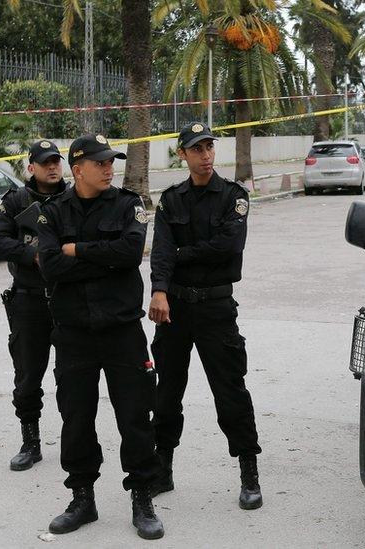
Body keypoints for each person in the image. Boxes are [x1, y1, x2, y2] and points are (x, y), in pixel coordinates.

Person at [36, 134, 165, 540]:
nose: (110, 168)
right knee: (76, 418)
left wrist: (76, 250)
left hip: (122, 332)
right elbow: (50, 266)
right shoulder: (52, 212)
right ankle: (82, 498)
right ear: (78, 169)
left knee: (135, 416)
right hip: (73, 334)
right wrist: (98, 256)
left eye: (112, 161)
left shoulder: (129, 205)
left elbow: (130, 253)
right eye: (101, 162)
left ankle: (142, 497)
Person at [147, 122, 262, 510]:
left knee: (230, 392)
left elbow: (230, 244)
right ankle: (163, 470)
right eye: (197, 149)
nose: (206, 155)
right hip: (175, 310)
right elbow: (162, 250)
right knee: (165, 394)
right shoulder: (170, 200)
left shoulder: (233, 196)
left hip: (215, 308)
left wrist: (184, 254)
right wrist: (159, 289)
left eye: (210, 147)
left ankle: (249, 473)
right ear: (183, 155)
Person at [0, 140, 66, 471]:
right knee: (28, 376)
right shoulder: (17, 201)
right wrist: (30, 254)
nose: (52, 167)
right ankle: (30, 442)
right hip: (29, 301)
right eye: (45, 162)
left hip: (66, 299)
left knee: (73, 376)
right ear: (31, 167)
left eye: (56, 162)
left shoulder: (74, 199)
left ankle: (76, 440)